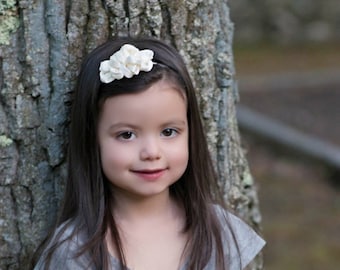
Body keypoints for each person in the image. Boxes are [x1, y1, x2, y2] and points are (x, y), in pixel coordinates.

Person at [32, 36, 265, 270]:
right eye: (126, 135)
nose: (151, 152)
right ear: (93, 140)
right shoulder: (73, 252)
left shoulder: (219, 231)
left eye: (169, 131)